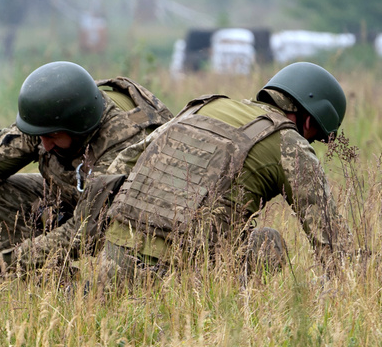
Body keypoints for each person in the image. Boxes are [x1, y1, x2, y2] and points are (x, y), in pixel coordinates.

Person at [99, 61, 351, 280]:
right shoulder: (290, 142)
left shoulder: (203, 107)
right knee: (267, 242)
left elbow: (120, 165)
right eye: (314, 137)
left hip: (112, 265)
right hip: (179, 278)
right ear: (309, 121)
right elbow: (333, 242)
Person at [0, 61, 173, 274]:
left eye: (52, 136)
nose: (43, 144)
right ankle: (44, 282)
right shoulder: (55, 114)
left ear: (80, 129)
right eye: (39, 134)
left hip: (131, 221)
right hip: (76, 195)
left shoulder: (121, 147)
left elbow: (85, 232)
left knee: (114, 278)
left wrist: (3, 262)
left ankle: (68, 293)